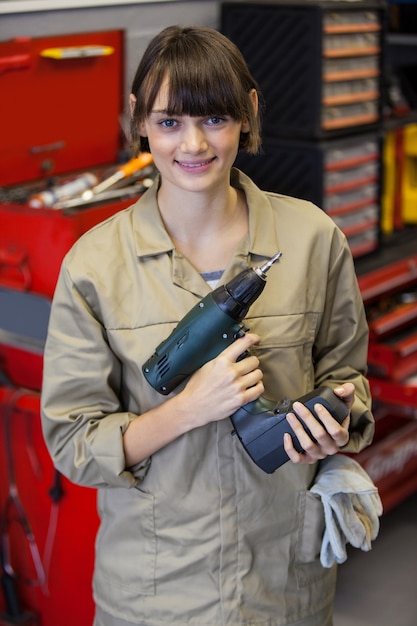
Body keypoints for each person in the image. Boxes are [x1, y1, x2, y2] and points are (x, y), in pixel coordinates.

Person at [41, 25, 375, 626]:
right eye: (169, 122)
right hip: (155, 593)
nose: (193, 144)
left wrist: (337, 429)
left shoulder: (313, 239)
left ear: (248, 113)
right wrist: (188, 409)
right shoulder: (94, 266)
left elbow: (348, 374)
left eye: (215, 119)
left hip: (285, 587)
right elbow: (72, 445)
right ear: (139, 120)